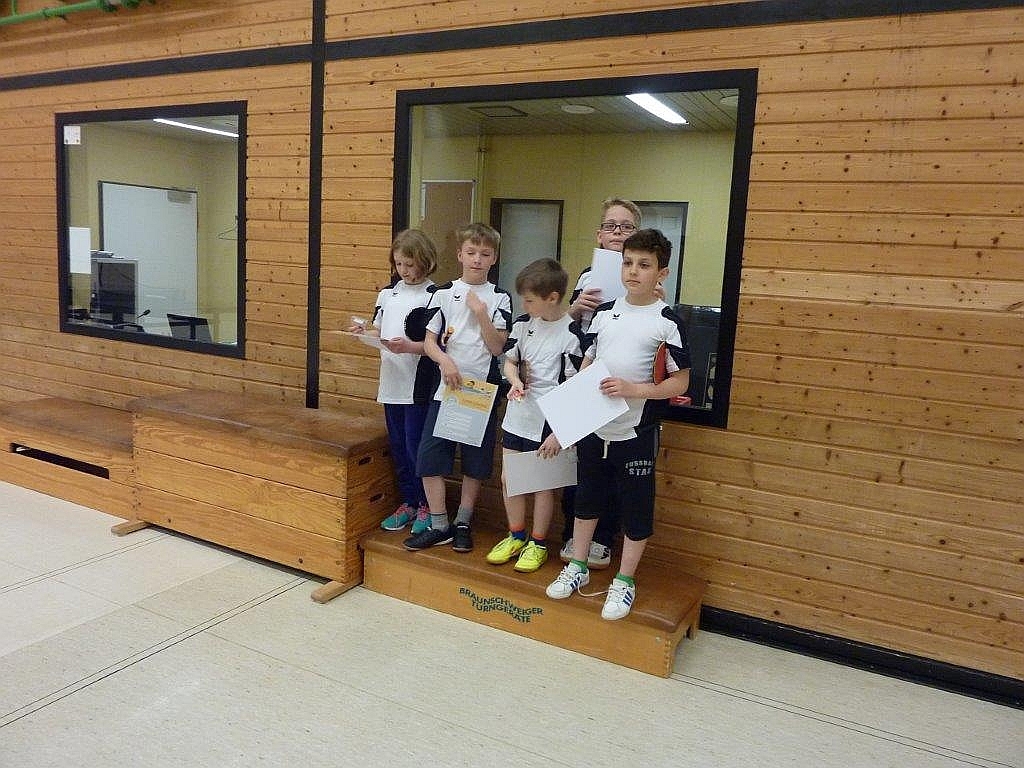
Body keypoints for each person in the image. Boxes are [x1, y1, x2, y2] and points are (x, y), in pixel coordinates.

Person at [545, 229, 690, 621]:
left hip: (636, 433)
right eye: (628, 263)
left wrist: (634, 389)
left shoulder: (667, 322)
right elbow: (587, 367)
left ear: (662, 273)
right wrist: (566, 424)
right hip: (596, 431)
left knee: (636, 509)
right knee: (586, 500)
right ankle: (577, 566)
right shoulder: (604, 314)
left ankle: (624, 581)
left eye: (644, 265)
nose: (633, 271)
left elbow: (680, 382)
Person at [404, 223, 512, 554]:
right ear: (460, 254)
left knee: (475, 464)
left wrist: (481, 313)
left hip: (480, 392)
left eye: (485, 254)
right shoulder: (443, 293)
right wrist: (444, 361)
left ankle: (463, 522)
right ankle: (439, 524)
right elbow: (430, 342)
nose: (477, 259)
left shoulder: (500, 297)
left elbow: (497, 347)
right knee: (429, 458)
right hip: (446, 390)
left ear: (494, 258)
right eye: (471, 252)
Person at [560, 197, 644, 570]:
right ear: (599, 234)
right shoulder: (586, 275)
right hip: (583, 377)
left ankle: (603, 538)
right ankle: (571, 534)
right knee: (580, 464)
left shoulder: (646, 279)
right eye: (610, 226)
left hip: (623, 386)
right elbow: (564, 327)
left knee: (612, 468)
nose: (617, 233)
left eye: (625, 227)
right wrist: (575, 309)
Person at [486, 258, 583, 573]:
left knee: (543, 484)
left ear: (552, 298)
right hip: (519, 411)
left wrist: (561, 431)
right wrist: (514, 380)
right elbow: (510, 362)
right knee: (509, 478)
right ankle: (516, 535)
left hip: (550, 419)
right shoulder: (522, 325)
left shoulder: (572, 334)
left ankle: (538, 543)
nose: (524, 305)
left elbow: (577, 387)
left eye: (529, 300)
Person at [350, 229, 438, 534]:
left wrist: (409, 347)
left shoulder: (435, 295)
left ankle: (428, 505)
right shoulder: (388, 294)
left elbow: (437, 344)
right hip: (391, 383)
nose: (404, 270)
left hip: (418, 385)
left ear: (425, 261)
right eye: (399, 264)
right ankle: (409, 502)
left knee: (416, 449)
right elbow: (378, 330)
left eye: (410, 265)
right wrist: (363, 334)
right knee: (399, 448)